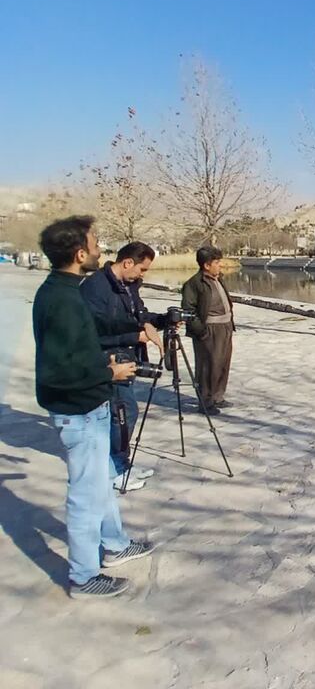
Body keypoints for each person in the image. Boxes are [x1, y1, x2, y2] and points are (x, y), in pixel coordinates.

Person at [33, 216, 154, 599]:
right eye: (97, 243)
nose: (102, 249)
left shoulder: (68, 290)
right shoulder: (63, 300)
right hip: (79, 410)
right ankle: (84, 576)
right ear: (80, 253)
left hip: (93, 404)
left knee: (102, 483)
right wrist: (110, 373)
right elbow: (58, 370)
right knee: (86, 495)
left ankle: (115, 544)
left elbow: (76, 353)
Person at [80, 242, 167, 491]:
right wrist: (134, 337)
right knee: (123, 414)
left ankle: (121, 463)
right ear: (127, 263)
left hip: (126, 356)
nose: (143, 275)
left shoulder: (128, 286)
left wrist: (161, 321)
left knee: (125, 413)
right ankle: (115, 470)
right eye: (142, 269)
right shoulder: (96, 288)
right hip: (108, 359)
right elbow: (94, 331)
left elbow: (137, 317)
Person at [181, 246, 235, 414]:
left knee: (222, 363)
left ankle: (218, 396)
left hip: (225, 327)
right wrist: (200, 331)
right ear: (206, 265)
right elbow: (188, 310)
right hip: (209, 329)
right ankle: (206, 401)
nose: (221, 265)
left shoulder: (218, 278)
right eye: (217, 262)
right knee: (208, 366)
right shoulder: (194, 284)